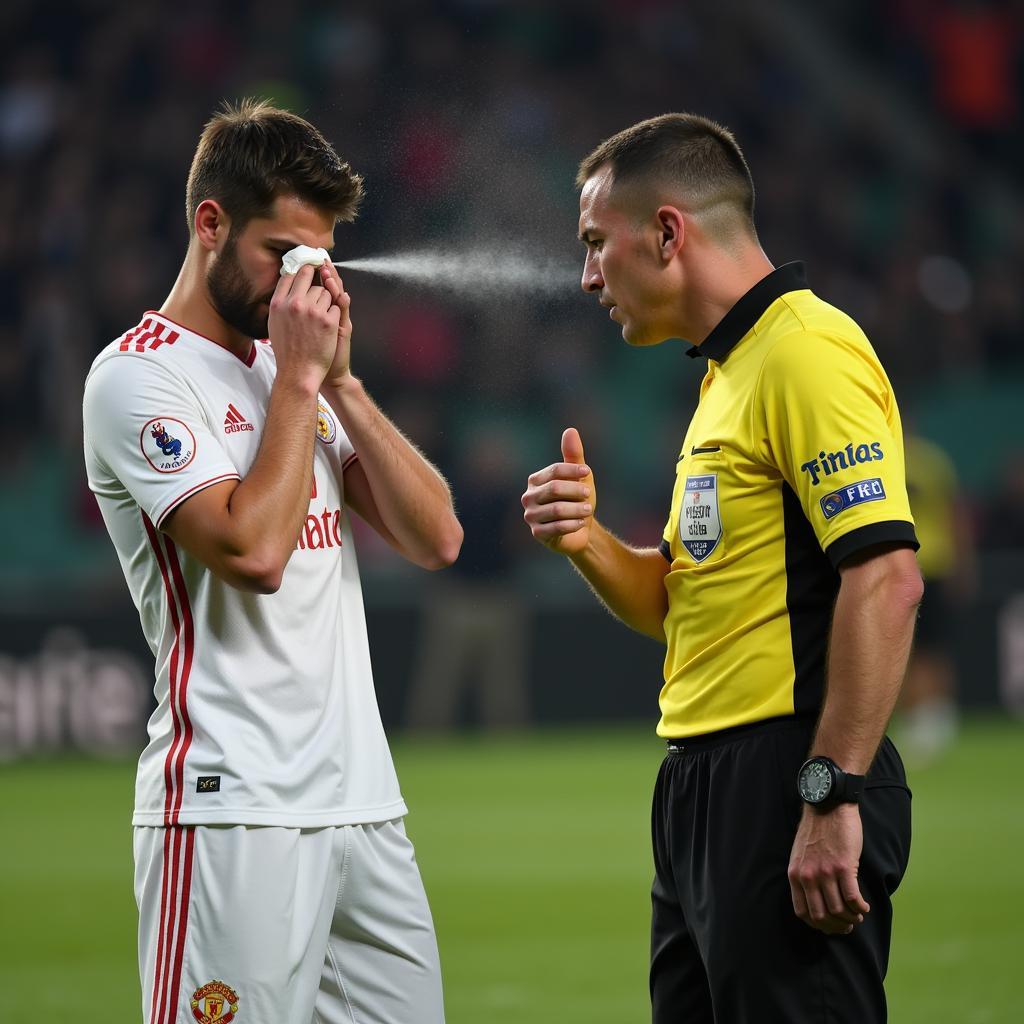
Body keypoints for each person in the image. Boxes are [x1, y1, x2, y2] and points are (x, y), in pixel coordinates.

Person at [521, 113, 923, 1023]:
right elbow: (680, 602)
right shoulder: (726, 376)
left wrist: (831, 793)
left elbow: (887, 578)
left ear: (667, 233)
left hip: (791, 776)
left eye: (595, 244)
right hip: (703, 789)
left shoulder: (805, 353)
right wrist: (586, 540)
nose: (587, 276)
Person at [82, 99, 462, 1024]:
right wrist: (297, 379)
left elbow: (436, 536)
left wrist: (336, 380)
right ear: (209, 222)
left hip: (363, 806)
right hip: (231, 811)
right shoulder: (137, 378)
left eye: (319, 259)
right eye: (281, 253)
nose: (303, 282)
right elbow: (253, 550)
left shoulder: (293, 372)